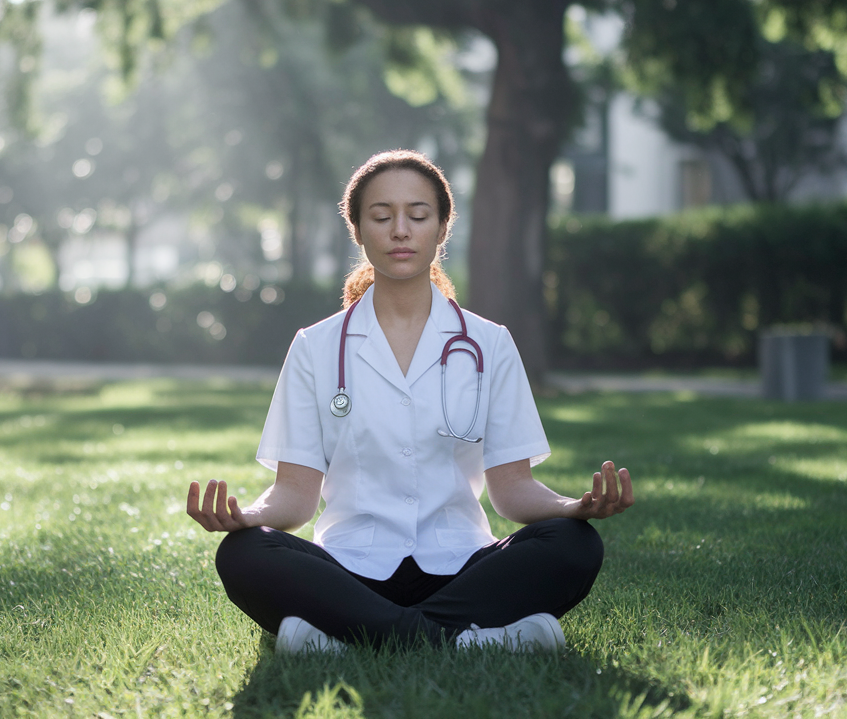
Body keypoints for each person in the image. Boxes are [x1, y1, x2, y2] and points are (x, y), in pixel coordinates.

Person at [185, 149, 634, 653]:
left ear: (441, 228)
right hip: (350, 569)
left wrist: (572, 507)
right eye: (382, 216)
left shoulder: (489, 344)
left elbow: (512, 490)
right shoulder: (316, 347)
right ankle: (471, 639)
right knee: (244, 554)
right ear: (358, 229)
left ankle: (351, 636)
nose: (401, 230)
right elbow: (295, 495)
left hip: (462, 566)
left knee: (573, 544)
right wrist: (249, 516)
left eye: (418, 215)